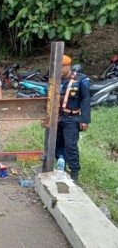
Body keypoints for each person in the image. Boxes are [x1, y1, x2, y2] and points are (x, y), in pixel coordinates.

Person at [44, 55, 91, 183]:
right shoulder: (54, 80)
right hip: (57, 118)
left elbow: (85, 100)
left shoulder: (80, 80)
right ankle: (61, 169)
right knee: (57, 144)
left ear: (68, 66)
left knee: (70, 146)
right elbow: (47, 100)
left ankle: (74, 173)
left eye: (62, 66)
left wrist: (84, 120)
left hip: (72, 117)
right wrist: (45, 118)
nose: (59, 69)